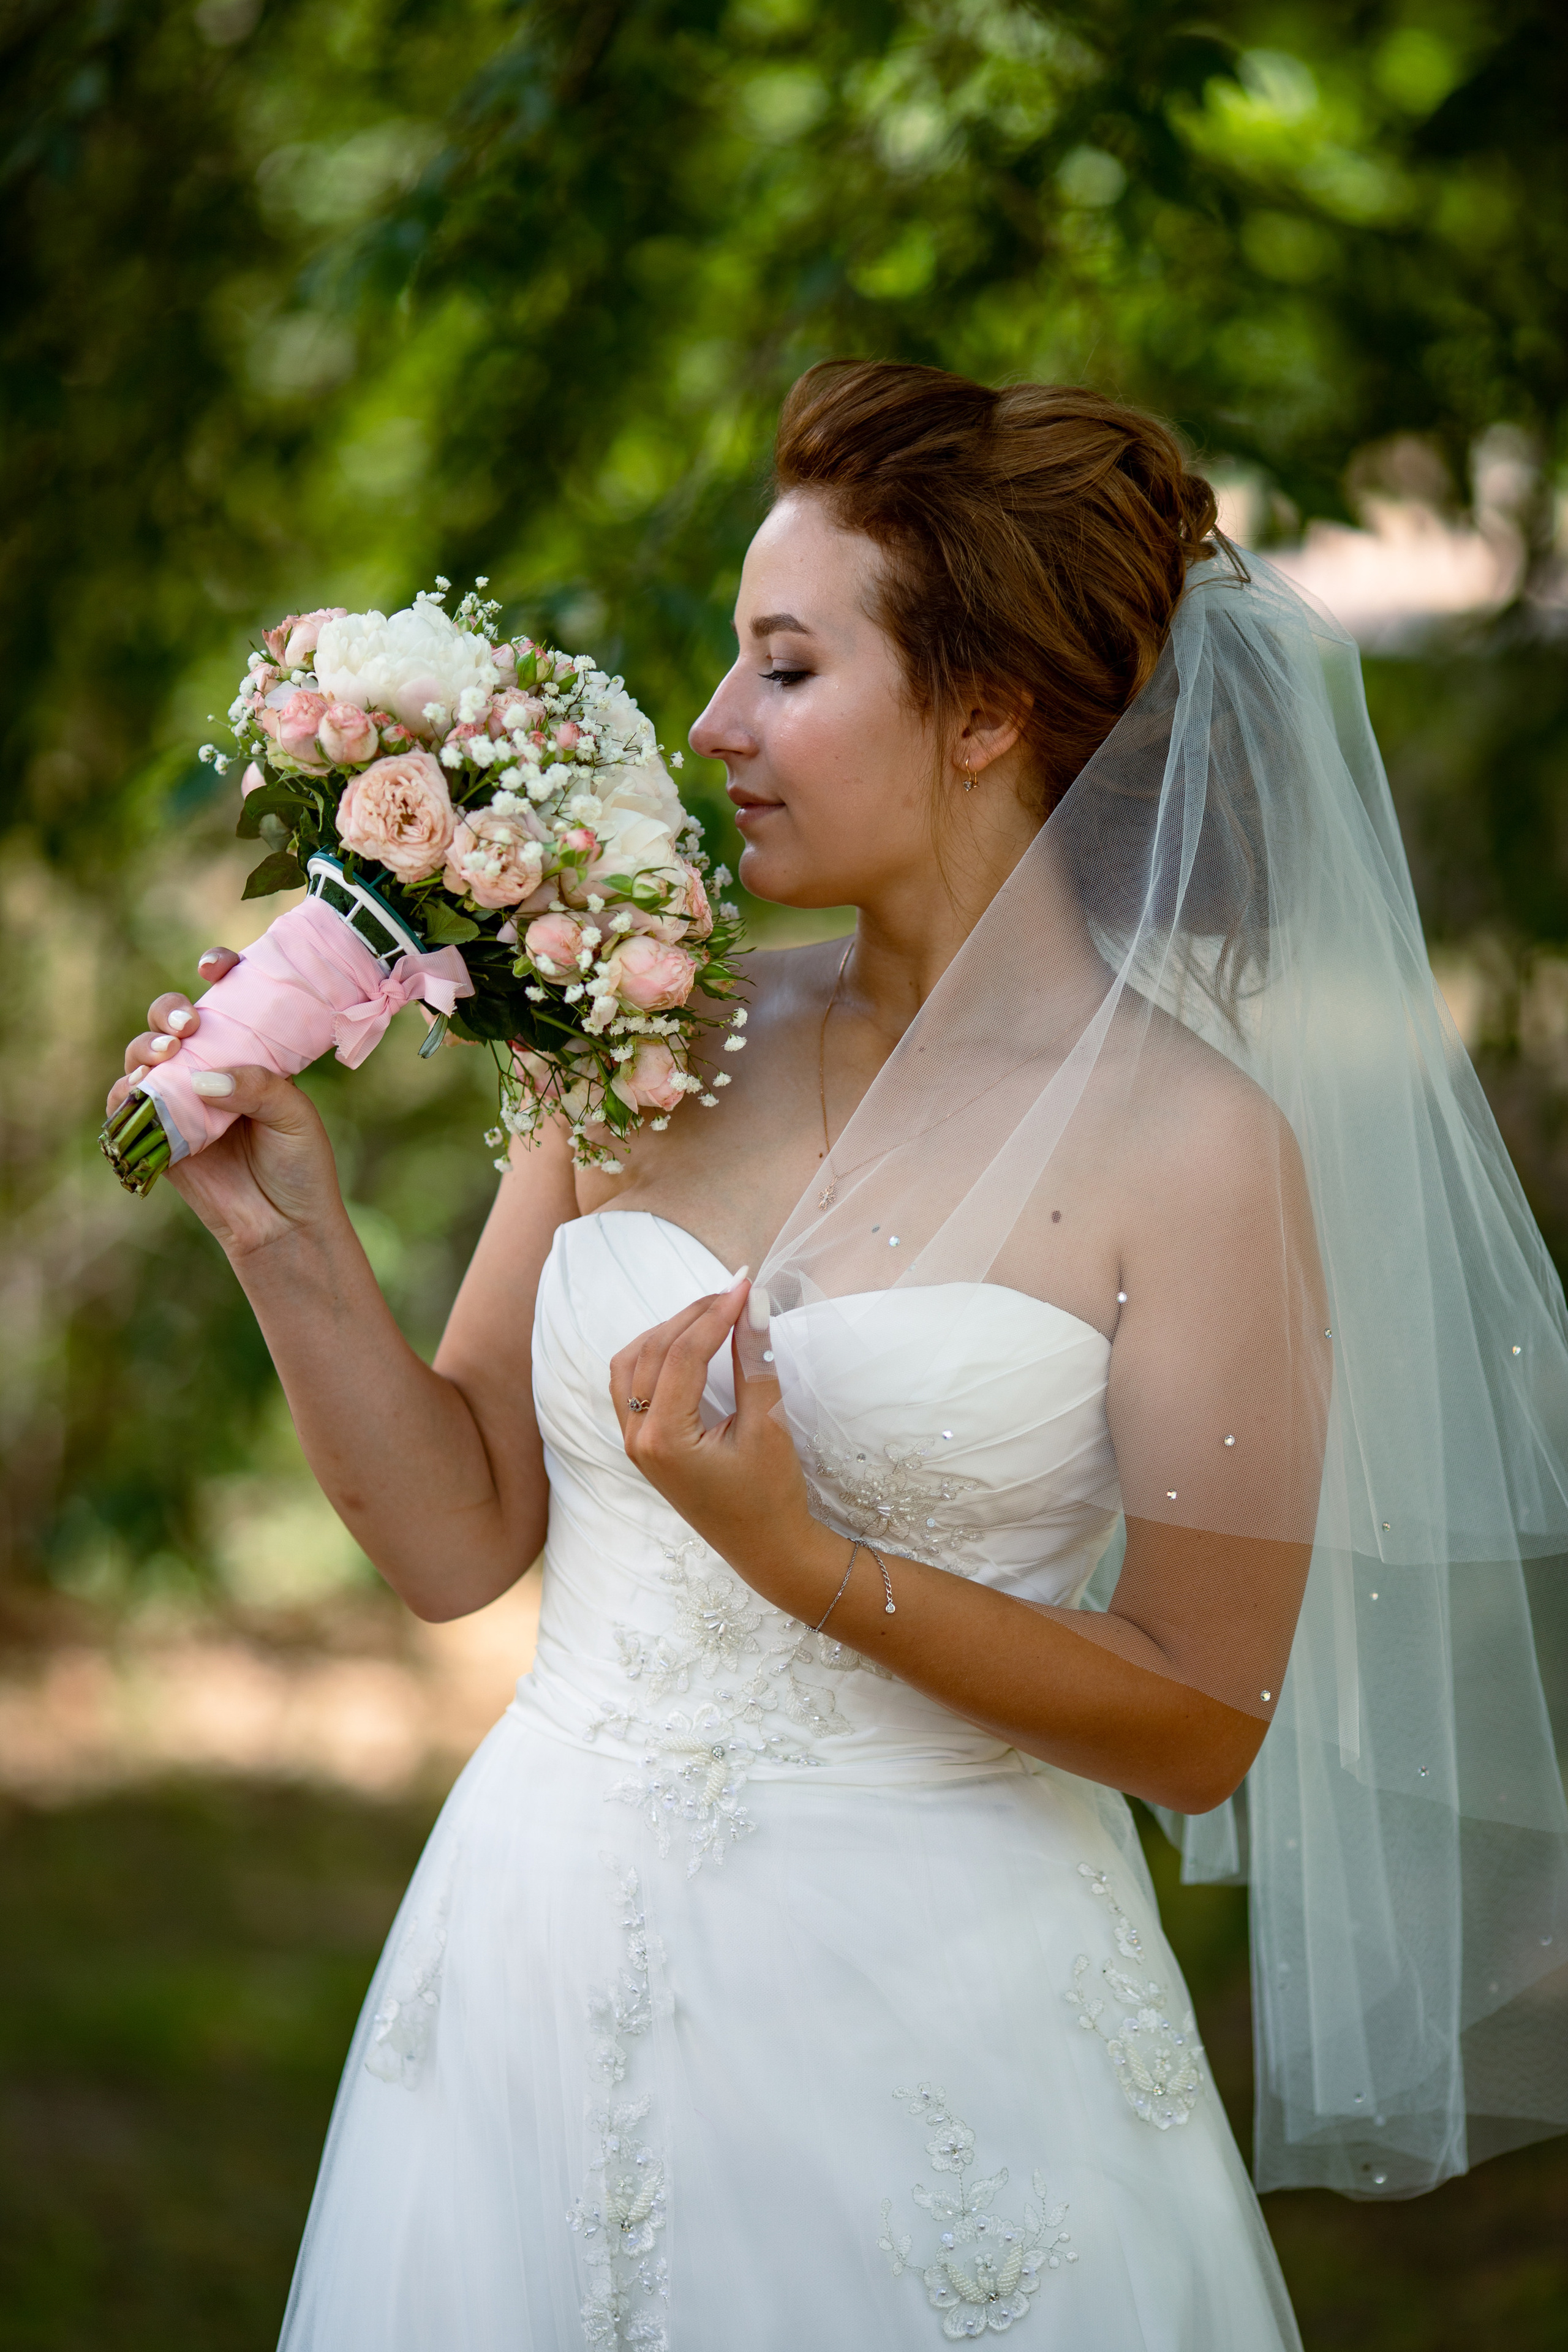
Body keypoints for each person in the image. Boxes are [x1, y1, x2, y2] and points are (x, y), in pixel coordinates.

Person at [107, 362, 1568, 2349]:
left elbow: (1202, 1717)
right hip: (542, 1940)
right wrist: (286, 1240)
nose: (714, 728)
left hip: (940, 2008)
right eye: (732, 662)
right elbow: (457, 1544)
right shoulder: (645, 1033)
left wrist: (811, 1565)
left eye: (787, 671)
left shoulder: (1198, 1147)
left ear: (988, 711)